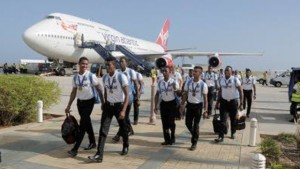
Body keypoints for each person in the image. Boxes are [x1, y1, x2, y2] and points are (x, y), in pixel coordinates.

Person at [88, 56, 129, 163]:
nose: (107, 67)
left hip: (119, 106)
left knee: (123, 128)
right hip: (108, 107)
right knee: (103, 130)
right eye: (105, 65)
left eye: (109, 65)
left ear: (114, 65)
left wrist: (123, 110)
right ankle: (99, 154)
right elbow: (105, 91)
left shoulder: (121, 77)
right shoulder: (105, 77)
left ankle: (125, 145)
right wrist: (104, 103)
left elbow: (127, 94)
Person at [65, 56, 104, 157]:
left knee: (83, 124)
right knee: (87, 122)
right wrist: (68, 105)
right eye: (83, 64)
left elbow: (99, 89)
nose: (85, 66)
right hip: (80, 103)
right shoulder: (75, 77)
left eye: (86, 64)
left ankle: (75, 149)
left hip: (89, 102)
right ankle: (93, 142)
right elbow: (73, 92)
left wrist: (103, 103)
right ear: (79, 64)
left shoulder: (91, 76)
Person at [180, 66, 208, 151]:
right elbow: (185, 94)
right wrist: (182, 104)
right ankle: (195, 135)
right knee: (188, 123)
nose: (193, 73)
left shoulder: (203, 84)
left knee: (196, 125)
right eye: (193, 71)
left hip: (198, 106)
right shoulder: (188, 82)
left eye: (195, 71)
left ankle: (194, 143)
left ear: (200, 73)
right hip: (190, 105)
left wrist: (205, 110)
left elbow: (205, 99)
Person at [112, 57, 139, 142]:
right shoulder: (118, 72)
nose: (121, 63)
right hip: (121, 98)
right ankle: (130, 130)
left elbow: (136, 84)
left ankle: (118, 135)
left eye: (122, 61)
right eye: (120, 62)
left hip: (129, 97)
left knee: (123, 117)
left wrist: (137, 97)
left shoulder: (131, 72)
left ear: (126, 63)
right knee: (125, 117)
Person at [214, 66, 243, 143]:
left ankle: (233, 133)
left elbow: (241, 91)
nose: (226, 71)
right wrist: (217, 102)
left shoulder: (235, 79)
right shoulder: (221, 79)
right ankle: (221, 136)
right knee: (222, 120)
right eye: (225, 70)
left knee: (233, 119)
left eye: (228, 70)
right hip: (223, 102)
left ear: (231, 71)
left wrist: (241, 103)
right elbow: (220, 91)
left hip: (233, 102)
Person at [154, 66, 180, 145]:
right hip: (164, 104)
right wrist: (156, 106)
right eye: (163, 71)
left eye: (166, 71)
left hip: (172, 103)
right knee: (164, 122)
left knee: (171, 122)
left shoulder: (174, 81)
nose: (164, 73)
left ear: (170, 73)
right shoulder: (160, 82)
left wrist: (175, 89)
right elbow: (157, 94)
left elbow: (179, 93)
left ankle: (172, 136)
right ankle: (167, 139)